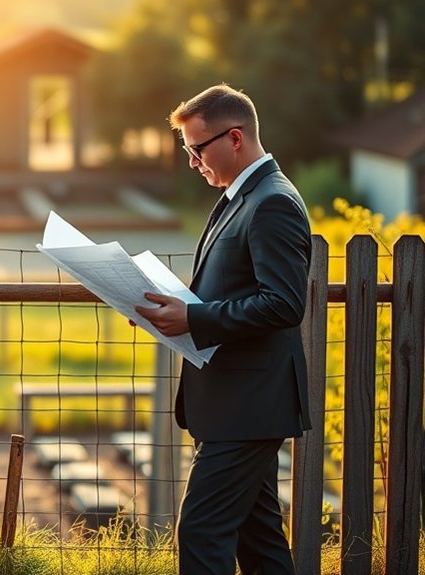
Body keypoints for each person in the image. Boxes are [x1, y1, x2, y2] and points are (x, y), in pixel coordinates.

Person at [134, 84, 311, 574]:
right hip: (238, 401)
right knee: (259, 541)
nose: (192, 162)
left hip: (250, 404)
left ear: (234, 138)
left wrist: (192, 317)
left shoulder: (272, 202)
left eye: (197, 149)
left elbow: (283, 304)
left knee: (202, 530)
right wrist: (166, 306)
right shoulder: (243, 196)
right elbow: (235, 289)